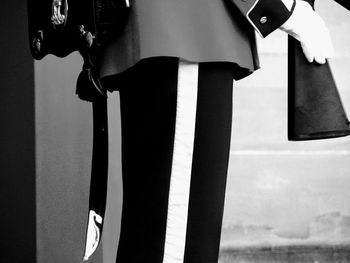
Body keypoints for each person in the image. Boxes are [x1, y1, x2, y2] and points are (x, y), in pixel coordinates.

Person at [84, 0, 334, 262]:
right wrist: (282, 8)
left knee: (154, 234)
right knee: (174, 242)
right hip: (188, 31)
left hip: (169, 34)